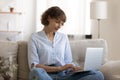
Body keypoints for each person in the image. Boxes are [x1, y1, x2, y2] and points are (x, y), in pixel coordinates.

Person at [28, 6, 104, 80]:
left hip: (64, 76)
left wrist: (74, 68)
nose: (59, 26)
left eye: (62, 24)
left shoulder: (63, 37)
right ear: (48, 18)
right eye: (57, 22)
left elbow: (68, 61)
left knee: (98, 74)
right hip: (45, 75)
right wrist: (60, 68)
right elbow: (34, 66)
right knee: (36, 72)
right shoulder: (34, 38)